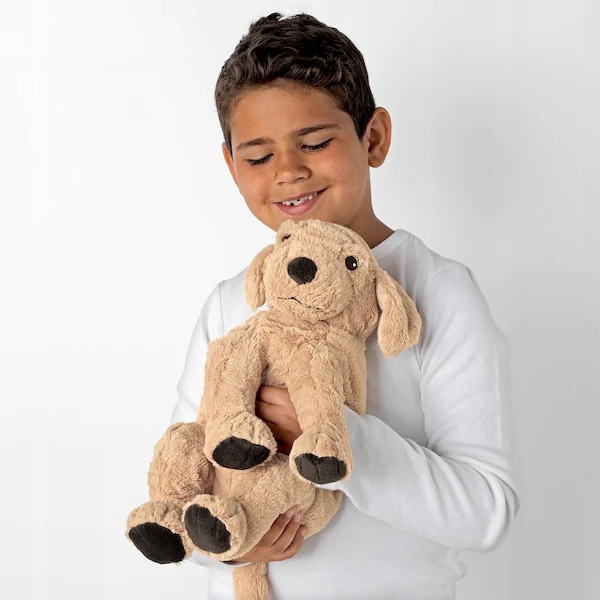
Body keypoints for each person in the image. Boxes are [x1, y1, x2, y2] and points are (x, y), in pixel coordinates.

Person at [171, 12, 520, 600]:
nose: (289, 171)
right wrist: (226, 544)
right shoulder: (232, 303)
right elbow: (185, 495)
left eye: (314, 143)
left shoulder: (438, 291)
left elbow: (488, 511)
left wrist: (334, 434)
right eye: (258, 157)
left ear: (373, 138)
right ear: (231, 166)